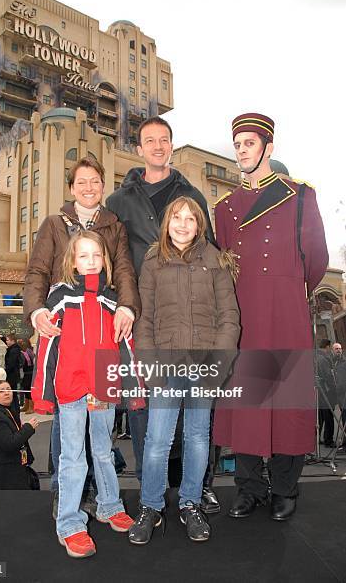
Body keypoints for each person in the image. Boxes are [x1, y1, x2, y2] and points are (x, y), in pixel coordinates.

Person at [213, 112, 328, 521]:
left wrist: (290, 292)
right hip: (245, 313)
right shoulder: (224, 208)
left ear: (268, 147)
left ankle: (284, 487)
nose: (242, 151)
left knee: (287, 402)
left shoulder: (299, 196)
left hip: (286, 310)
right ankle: (248, 488)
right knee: (247, 402)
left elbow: (316, 261)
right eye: (238, 144)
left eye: (249, 143)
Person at [106, 115, 218, 509]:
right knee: (145, 410)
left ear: (171, 145)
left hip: (190, 318)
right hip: (141, 318)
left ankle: (195, 487)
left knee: (196, 414)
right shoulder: (118, 202)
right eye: (149, 140)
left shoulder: (191, 194)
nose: (157, 146)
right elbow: (112, 259)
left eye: (164, 140)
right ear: (139, 149)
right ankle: (150, 493)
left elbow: (212, 253)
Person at [23, 156, 141, 517]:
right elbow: (37, 271)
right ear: (72, 188)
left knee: (101, 436)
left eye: (95, 182)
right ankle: (66, 497)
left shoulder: (114, 226)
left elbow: (124, 271)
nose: (89, 188)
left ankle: (105, 500)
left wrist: (127, 307)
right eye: (82, 182)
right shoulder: (54, 224)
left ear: (103, 187)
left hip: (102, 338)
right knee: (67, 427)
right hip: (67, 335)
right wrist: (37, 310)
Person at [128, 197, 240, 544]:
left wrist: (218, 366)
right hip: (164, 362)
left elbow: (229, 317)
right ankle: (150, 506)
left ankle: (191, 503)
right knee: (158, 439)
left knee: (197, 438)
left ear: (199, 225)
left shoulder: (215, 260)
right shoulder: (152, 261)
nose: (182, 224)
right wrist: (150, 363)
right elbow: (143, 319)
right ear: (167, 223)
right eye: (177, 217)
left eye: (190, 219)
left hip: (204, 365)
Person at [31, 230, 136, 559]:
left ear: (104, 259)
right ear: (72, 261)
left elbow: (125, 345)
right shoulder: (59, 297)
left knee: (104, 452)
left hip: (103, 382)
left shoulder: (112, 299)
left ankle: (109, 506)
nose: (90, 262)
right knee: (72, 457)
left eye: (96, 255)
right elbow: (47, 348)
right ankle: (70, 524)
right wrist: (43, 393)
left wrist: (133, 388)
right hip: (71, 385)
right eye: (83, 256)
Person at [0, 379, 39, 489]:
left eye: (8, 389)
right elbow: (9, 443)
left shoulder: (7, 410)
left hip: (12, 468)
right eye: (1, 391)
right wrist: (28, 428)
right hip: (3, 473)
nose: (6, 393)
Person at [316, 339, 336, 448]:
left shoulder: (316, 356)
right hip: (326, 391)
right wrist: (334, 387)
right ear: (327, 347)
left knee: (320, 417)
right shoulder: (323, 359)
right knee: (328, 416)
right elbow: (328, 376)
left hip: (319, 391)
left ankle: (317, 438)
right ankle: (328, 439)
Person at [0, 334, 22, 411]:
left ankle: (14, 410)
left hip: (12, 375)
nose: (6, 342)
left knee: (13, 394)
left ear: (13, 341)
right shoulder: (13, 347)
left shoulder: (14, 350)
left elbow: (11, 364)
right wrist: (1, 337)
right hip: (12, 374)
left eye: (7, 340)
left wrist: (4, 372)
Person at [331, 343, 346, 447]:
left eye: (340, 349)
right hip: (340, 396)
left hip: (343, 395)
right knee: (344, 418)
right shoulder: (334, 362)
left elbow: (341, 381)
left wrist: (337, 390)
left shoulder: (343, 362)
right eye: (336, 349)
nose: (338, 350)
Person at [19, 338, 35, 414]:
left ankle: (31, 407)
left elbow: (24, 363)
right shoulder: (28, 351)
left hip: (29, 373)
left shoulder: (27, 351)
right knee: (26, 389)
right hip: (27, 372)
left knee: (29, 390)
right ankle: (26, 405)